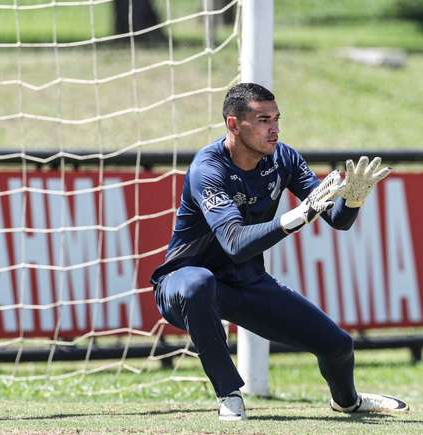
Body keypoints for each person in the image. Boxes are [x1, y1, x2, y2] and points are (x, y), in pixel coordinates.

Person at [151, 82, 408, 421]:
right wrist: (297, 217)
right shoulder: (207, 168)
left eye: (276, 119)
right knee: (200, 284)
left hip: (244, 284)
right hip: (182, 285)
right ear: (233, 124)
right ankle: (229, 394)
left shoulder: (283, 157)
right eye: (262, 120)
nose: (274, 129)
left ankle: (348, 402)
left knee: (338, 346)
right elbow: (235, 243)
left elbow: (336, 219)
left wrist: (354, 198)